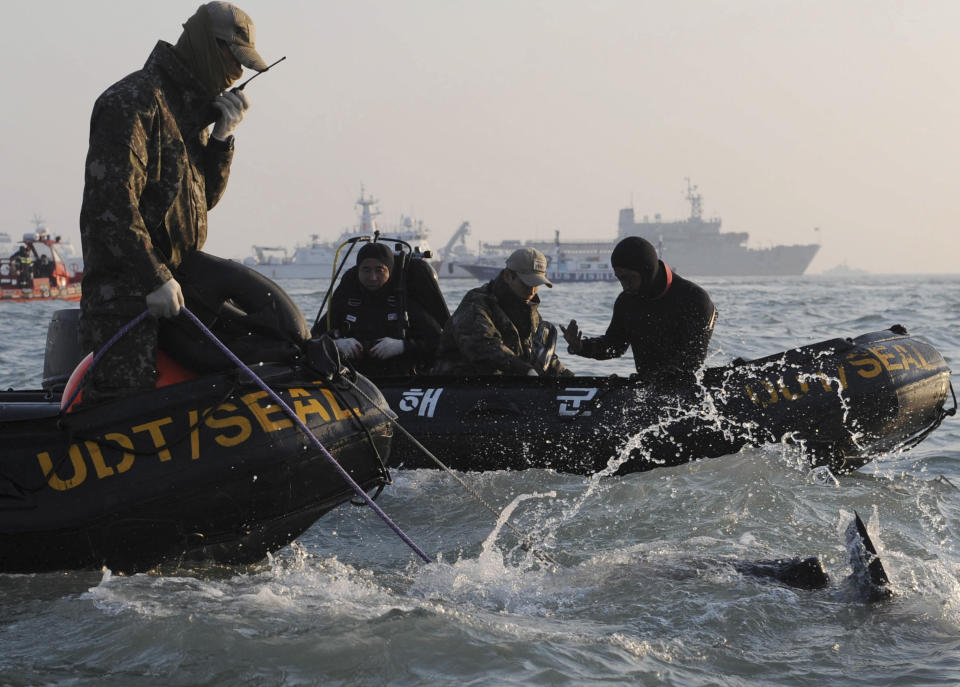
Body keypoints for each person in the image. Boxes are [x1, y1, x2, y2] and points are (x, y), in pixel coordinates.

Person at [78, 2, 269, 400]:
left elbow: (201, 204)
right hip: (128, 302)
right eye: (234, 60)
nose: (236, 74)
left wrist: (221, 138)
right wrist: (155, 277)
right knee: (124, 417)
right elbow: (111, 205)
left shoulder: (192, 114)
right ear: (207, 46)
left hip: (180, 295)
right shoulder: (133, 101)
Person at [562, 236, 716, 384]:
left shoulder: (695, 299)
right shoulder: (626, 301)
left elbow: (693, 358)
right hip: (644, 389)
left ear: (646, 271)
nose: (624, 286)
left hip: (685, 393)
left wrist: (654, 380)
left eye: (629, 278)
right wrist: (580, 347)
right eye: (620, 279)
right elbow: (614, 346)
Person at [432, 247, 571, 377]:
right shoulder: (476, 304)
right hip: (459, 384)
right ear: (507, 277)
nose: (532, 290)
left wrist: (568, 379)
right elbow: (483, 346)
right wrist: (526, 371)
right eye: (526, 283)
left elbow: (541, 355)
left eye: (536, 284)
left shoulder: (532, 314)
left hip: (506, 387)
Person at [314, 242, 445, 377]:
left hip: (398, 380)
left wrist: (403, 346)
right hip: (352, 380)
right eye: (366, 270)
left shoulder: (405, 302)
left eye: (379, 270)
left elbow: (438, 342)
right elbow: (313, 339)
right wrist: (336, 345)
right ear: (358, 270)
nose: (372, 277)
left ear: (389, 270)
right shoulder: (346, 299)